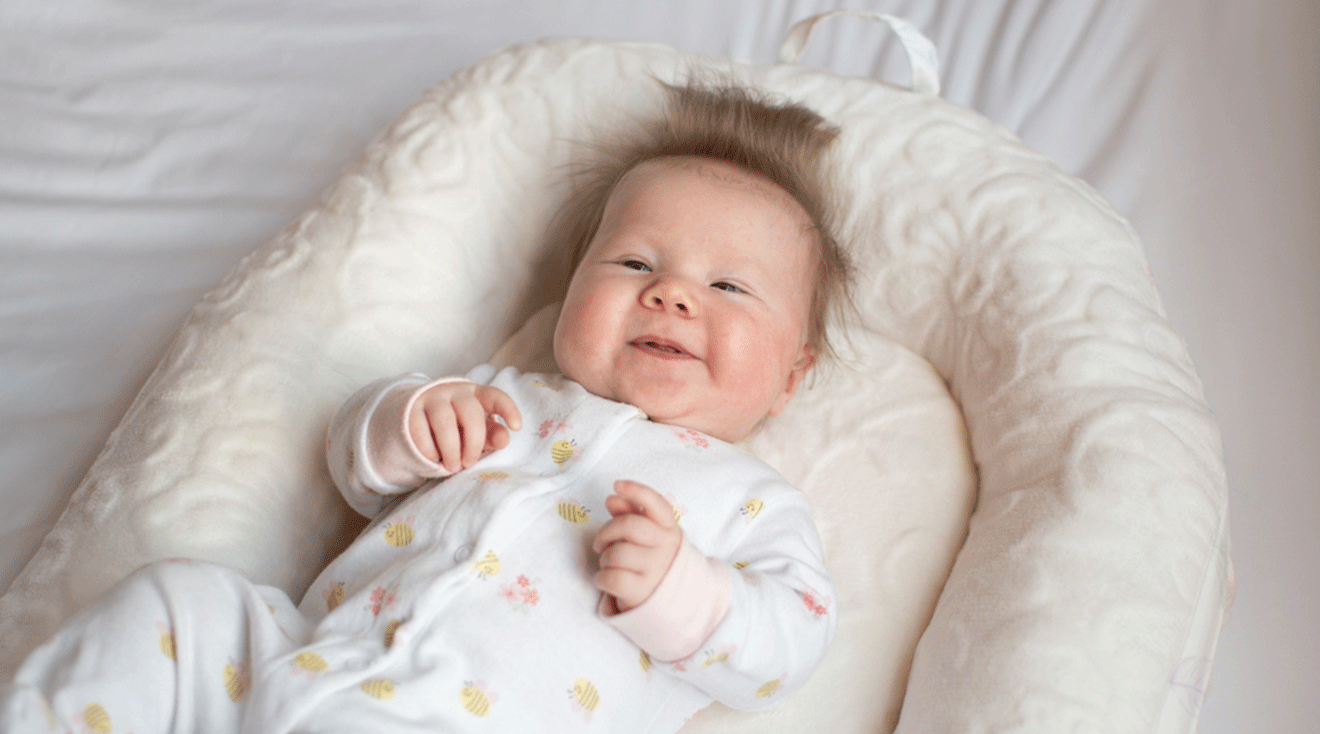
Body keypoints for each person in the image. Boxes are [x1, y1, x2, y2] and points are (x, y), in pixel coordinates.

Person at [1, 81, 852, 733]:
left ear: (791, 374)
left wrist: (685, 591)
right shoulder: (504, 398)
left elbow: (790, 641)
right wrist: (404, 427)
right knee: (183, 604)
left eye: (728, 286)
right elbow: (356, 468)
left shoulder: (749, 503)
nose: (670, 294)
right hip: (295, 659)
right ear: (568, 298)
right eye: (633, 264)